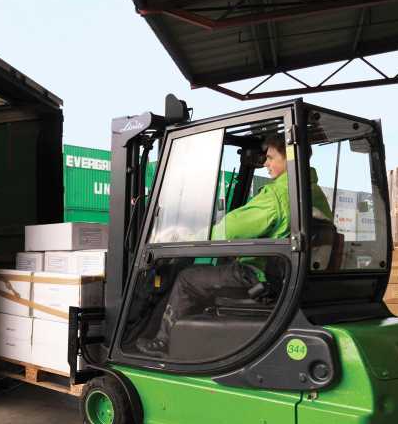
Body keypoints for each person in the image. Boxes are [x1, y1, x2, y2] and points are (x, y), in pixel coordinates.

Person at [135, 134, 334, 356]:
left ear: (289, 158)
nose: (265, 164)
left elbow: (228, 230)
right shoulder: (314, 194)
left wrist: (185, 238)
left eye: (270, 158)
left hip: (259, 278)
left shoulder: (278, 195)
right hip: (291, 280)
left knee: (186, 279)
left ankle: (163, 342)